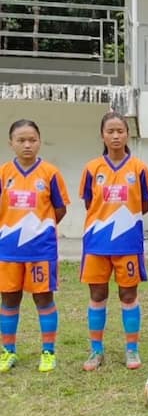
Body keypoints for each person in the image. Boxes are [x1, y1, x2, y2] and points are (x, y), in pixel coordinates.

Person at [79, 112, 148, 371]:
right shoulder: (92, 169)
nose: (115, 136)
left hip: (128, 244)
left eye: (120, 131)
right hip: (97, 244)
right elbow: (90, 204)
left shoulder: (139, 169)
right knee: (97, 295)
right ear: (102, 135)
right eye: (110, 131)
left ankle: (132, 349)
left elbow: (143, 205)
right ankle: (95, 350)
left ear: (128, 134)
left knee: (128, 295)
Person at [0, 119, 70, 373]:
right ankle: (8, 352)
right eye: (21, 140)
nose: (27, 145)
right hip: (8, 249)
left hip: (41, 250)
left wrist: (42, 228)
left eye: (32, 140)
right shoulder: (3, 173)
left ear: (39, 141)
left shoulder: (50, 173)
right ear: (11, 143)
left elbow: (59, 208)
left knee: (43, 299)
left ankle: (48, 352)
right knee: (9, 299)